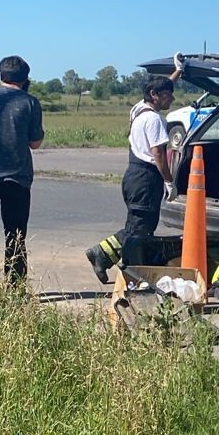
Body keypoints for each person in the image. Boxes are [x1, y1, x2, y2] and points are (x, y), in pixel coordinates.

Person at [86, 58, 184, 282]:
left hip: (133, 175)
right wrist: (169, 181)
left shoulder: (138, 109)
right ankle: (118, 265)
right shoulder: (154, 119)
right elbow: (159, 154)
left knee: (137, 226)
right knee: (140, 231)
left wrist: (177, 72)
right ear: (155, 95)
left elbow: (160, 86)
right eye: (168, 95)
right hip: (146, 179)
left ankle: (105, 256)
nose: (173, 98)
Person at [0, 55, 44, 286]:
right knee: (15, 236)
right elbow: (35, 143)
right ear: (25, 79)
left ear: (0, 75)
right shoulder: (30, 102)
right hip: (17, 177)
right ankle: (15, 289)